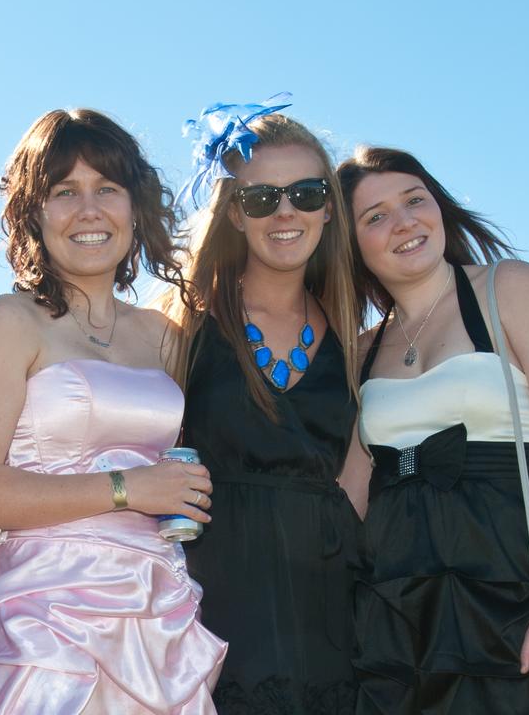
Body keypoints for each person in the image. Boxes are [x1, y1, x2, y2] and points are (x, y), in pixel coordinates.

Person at [0, 108, 226, 714]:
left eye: (108, 189)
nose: (89, 210)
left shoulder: (164, 336)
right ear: (33, 213)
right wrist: (130, 488)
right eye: (64, 192)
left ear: (134, 207)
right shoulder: (11, 322)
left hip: (158, 611)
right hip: (48, 621)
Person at [338, 147, 529, 714]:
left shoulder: (507, 288)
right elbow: (351, 496)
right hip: (396, 599)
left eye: (414, 200)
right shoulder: (360, 348)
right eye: (375, 216)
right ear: (351, 243)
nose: (405, 221)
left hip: (508, 589)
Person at [166, 101, 363, 713]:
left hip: (333, 612)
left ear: (329, 207)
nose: (286, 212)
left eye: (306, 194)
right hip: (217, 608)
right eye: (261, 199)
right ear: (234, 213)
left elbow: (354, 485)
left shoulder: (354, 337)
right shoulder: (182, 326)